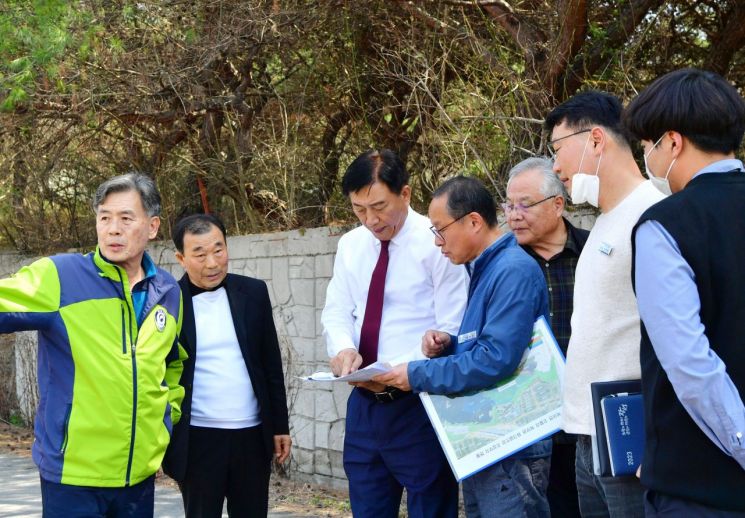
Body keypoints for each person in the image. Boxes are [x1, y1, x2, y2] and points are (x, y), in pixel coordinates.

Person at [0, 173, 186, 517]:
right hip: (73, 478)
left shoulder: (168, 291)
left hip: (138, 480)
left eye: (126, 218)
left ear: (152, 226)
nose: (113, 229)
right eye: (104, 217)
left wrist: (164, 422)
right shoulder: (59, 277)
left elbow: (172, 363)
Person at [376, 175, 552, 518]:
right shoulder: (485, 269)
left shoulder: (511, 270)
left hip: (511, 448)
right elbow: (488, 344)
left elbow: (495, 359)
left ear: (474, 221)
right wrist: (450, 345)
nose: (437, 242)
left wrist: (417, 373)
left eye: (440, 229)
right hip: (490, 443)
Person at [624, 68, 745, 515]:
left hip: (700, 486)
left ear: (672, 143)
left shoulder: (665, 224)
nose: (648, 161)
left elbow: (691, 364)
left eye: (647, 147)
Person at [321, 149, 468, 518]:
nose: (370, 219)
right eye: (358, 209)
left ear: (405, 193)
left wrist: (437, 343)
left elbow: (454, 321)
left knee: (431, 508)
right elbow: (337, 310)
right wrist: (342, 350)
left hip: (420, 404)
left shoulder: (438, 243)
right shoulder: (351, 246)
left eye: (379, 206)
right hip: (364, 408)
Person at [545, 91, 666, 517]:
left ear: (596, 140)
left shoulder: (652, 215)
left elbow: (671, 336)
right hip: (586, 431)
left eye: (558, 150)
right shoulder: (602, 223)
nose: (555, 167)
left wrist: (656, 436)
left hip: (629, 433)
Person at [162, 213, 290, 518]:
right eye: (200, 254)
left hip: (252, 435)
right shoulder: (168, 302)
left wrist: (280, 426)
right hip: (198, 439)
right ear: (181, 258)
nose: (212, 263)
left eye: (219, 250)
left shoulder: (254, 293)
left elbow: (270, 364)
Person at [505, 156, 588, 517]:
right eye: (508, 205)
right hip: (529, 424)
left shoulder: (595, 251)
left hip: (588, 419)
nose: (513, 215)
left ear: (558, 204)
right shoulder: (504, 266)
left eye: (525, 205)